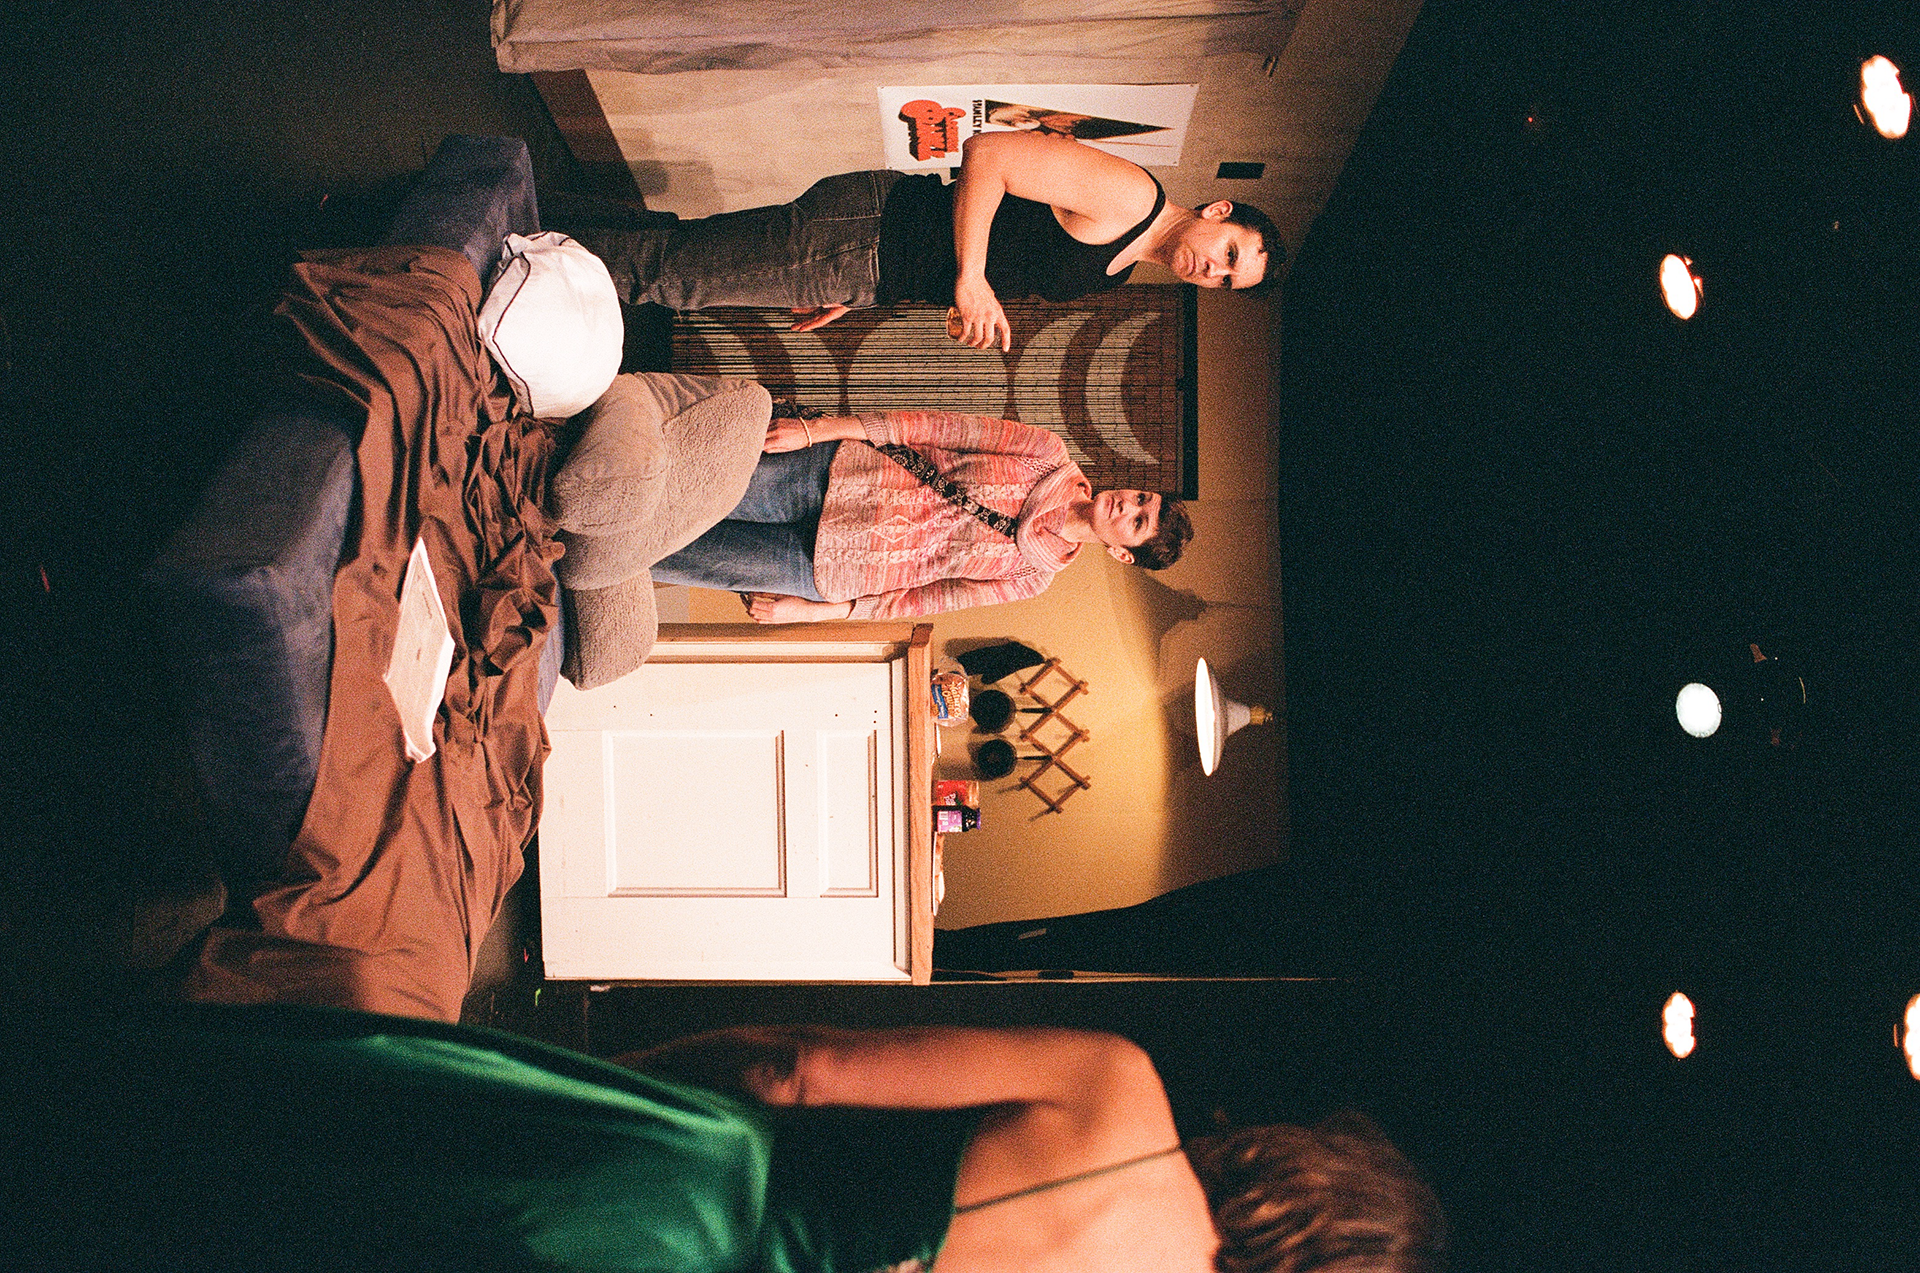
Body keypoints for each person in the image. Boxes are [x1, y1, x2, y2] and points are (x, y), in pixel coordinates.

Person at [7, 1004, 1446, 1273]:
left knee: (341, 1129)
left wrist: (605, 1084)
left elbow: (800, 1069)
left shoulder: (1120, 1091)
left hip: (694, 1185)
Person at [558, 129, 1282, 350]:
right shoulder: (1133, 198)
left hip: (870, 264)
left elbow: (999, 251)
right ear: (1218, 211)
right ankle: (505, 263)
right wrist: (971, 278)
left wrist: (871, 296)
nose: (1212, 271)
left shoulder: (1121, 270)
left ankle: (531, 224)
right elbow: (988, 155)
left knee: (676, 253)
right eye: (1228, 254)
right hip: (868, 232)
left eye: (1226, 281)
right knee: (673, 277)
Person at [649, 407, 1194, 621]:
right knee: (678, 481)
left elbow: (920, 600)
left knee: (669, 553)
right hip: (829, 475)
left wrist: (813, 614)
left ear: (1122, 553)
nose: (1129, 503)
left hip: (822, 569)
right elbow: (930, 427)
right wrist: (816, 430)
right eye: (1142, 497)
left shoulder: (1031, 578)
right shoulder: (1047, 453)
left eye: (1137, 521)